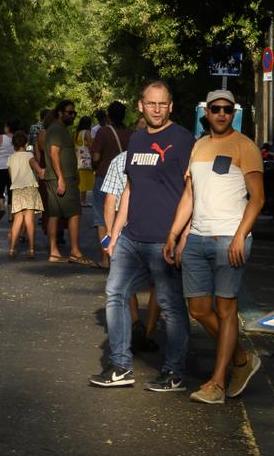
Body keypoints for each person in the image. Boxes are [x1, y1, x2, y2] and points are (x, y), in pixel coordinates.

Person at [92, 80, 195, 391]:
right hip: (130, 239)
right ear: (141, 105)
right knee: (115, 294)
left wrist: (182, 236)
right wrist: (114, 233)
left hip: (164, 240)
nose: (157, 109)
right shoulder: (135, 141)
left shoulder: (183, 139)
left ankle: (174, 371)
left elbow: (194, 191)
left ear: (171, 106)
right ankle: (121, 366)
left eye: (163, 104)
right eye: (151, 103)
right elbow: (129, 190)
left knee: (171, 305)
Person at [176, 89, 264, 405]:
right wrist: (176, 233)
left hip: (230, 239)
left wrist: (241, 235)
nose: (222, 114)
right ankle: (241, 359)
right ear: (207, 113)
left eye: (228, 109)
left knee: (227, 310)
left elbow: (258, 198)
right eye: (216, 109)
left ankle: (217, 383)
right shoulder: (198, 147)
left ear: (233, 112)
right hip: (197, 238)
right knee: (198, 308)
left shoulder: (245, 146)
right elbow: (190, 195)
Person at [43, 98, 86, 263]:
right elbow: (54, 154)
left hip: (60, 178)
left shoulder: (59, 129)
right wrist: (61, 178)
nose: (73, 116)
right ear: (60, 113)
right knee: (74, 213)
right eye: (69, 112)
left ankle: (54, 252)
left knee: (54, 215)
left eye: (74, 113)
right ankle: (74, 251)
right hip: (61, 179)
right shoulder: (56, 130)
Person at [91, 101, 131, 257]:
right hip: (127, 177)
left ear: (108, 116)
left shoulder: (103, 132)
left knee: (102, 218)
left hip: (104, 176)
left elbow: (96, 156)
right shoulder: (131, 133)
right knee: (125, 215)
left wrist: (95, 164)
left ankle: (106, 257)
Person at [6, 135, 42, 258]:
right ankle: (31, 249)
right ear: (25, 144)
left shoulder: (10, 158)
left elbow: (11, 177)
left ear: (13, 145)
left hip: (16, 189)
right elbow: (37, 169)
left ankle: (11, 249)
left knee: (17, 220)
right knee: (29, 220)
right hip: (29, 187)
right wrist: (42, 172)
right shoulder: (29, 155)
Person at [0, 119, 19, 219]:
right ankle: (10, 216)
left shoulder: (0, 137)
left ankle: (1, 208)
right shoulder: (17, 138)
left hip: (0, 167)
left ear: (8, 127)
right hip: (13, 168)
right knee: (11, 191)